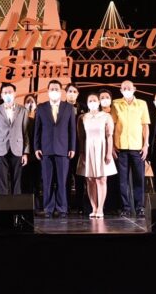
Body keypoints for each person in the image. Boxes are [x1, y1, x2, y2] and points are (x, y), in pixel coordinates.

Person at [34, 80, 77, 217]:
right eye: (51, 89)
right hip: (45, 150)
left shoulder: (68, 107)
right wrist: (36, 147)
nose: (54, 91)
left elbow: (72, 130)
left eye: (56, 89)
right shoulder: (41, 107)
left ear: (61, 91)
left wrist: (72, 147)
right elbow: (37, 130)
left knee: (62, 181)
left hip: (63, 150)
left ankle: (62, 208)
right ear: (48, 91)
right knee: (47, 181)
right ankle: (48, 209)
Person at [111, 80, 150, 218]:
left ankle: (140, 207)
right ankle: (125, 207)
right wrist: (112, 146)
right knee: (122, 180)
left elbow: (145, 126)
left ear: (134, 88)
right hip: (120, 147)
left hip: (137, 148)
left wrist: (146, 145)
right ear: (121, 90)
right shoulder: (115, 104)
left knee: (139, 179)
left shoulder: (142, 104)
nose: (126, 90)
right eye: (124, 88)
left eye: (129, 87)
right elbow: (112, 125)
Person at [76, 93, 116, 217]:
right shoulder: (83, 117)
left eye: (94, 100)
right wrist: (82, 153)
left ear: (98, 102)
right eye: (90, 100)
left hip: (102, 148)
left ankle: (100, 209)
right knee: (90, 180)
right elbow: (81, 137)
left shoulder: (106, 116)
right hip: (88, 149)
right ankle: (93, 208)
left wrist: (109, 153)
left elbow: (109, 136)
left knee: (101, 179)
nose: (92, 102)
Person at [0, 83, 29, 195]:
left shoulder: (23, 110)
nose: (8, 94)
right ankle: (4, 205)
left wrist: (25, 152)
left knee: (17, 181)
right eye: (5, 92)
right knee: (2, 182)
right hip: (1, 149)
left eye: (10, 92)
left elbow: (25, 132)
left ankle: (16, 205)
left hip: (17, 148)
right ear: (1, 95)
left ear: (15, 93)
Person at [65, 82, 88, 214]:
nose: (72, 94)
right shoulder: (60, 107)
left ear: (78, 94)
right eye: (70, 91)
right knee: (66, 178)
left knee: (80, 177)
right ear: (66, 93)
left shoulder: (84, 108)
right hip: (64, 147)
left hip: (80, 147)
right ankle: (66, 205)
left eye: (74, 92)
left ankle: (80, 206)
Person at [99, 88, 122, 214]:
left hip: (116, 150)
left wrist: (112, 147)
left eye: (107, 97)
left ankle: (115, 206)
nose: (104, 100)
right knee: (102, 179)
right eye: (102, 97)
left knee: (115, 179)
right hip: (100, 149)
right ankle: (102, 206)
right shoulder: (95, 113)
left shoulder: (116, 112)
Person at [22, 93, 42, 209]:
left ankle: (37, 205)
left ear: (36, 104)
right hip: (25, 155)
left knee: (37, 182)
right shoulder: (21, 118)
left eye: (32, 102)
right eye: (27, 102)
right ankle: (26, 205)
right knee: (25, 181)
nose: (30, 104)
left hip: (37, 155)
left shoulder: (40, 117)